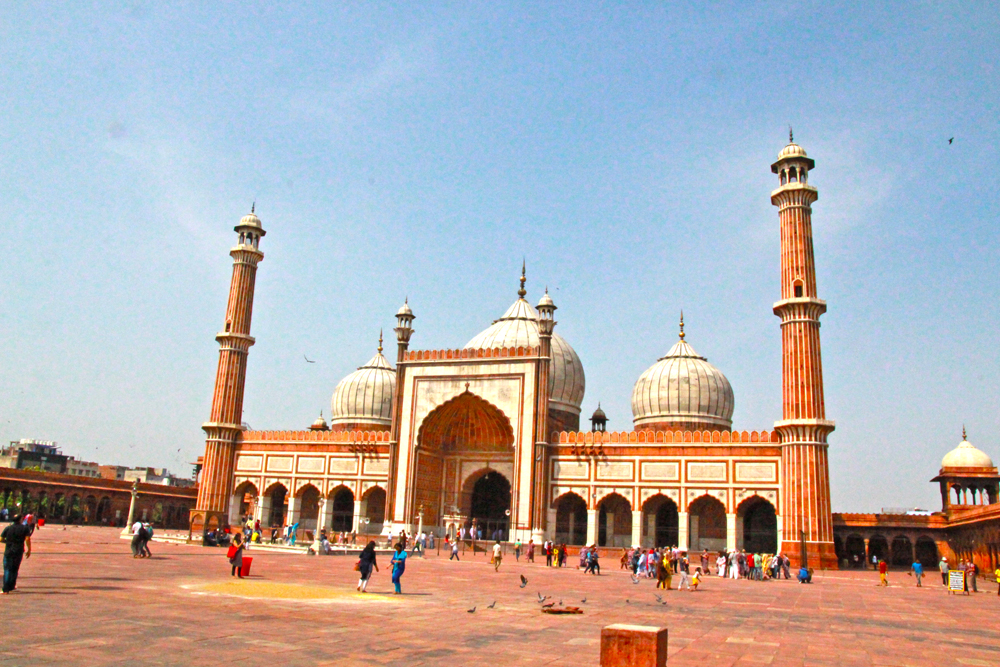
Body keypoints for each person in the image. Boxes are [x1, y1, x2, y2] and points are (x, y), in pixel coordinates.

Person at [2, 514, 31, 594]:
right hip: (19, 550)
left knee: (7, 569)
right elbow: (27, 539)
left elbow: (1, 538)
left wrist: (7, 542)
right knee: (15, 568)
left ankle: (6, 588)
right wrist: (29, 550)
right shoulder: (25, 528)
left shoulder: (8, 528)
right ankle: (11, 586)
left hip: (9, 550)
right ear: (21, 519)